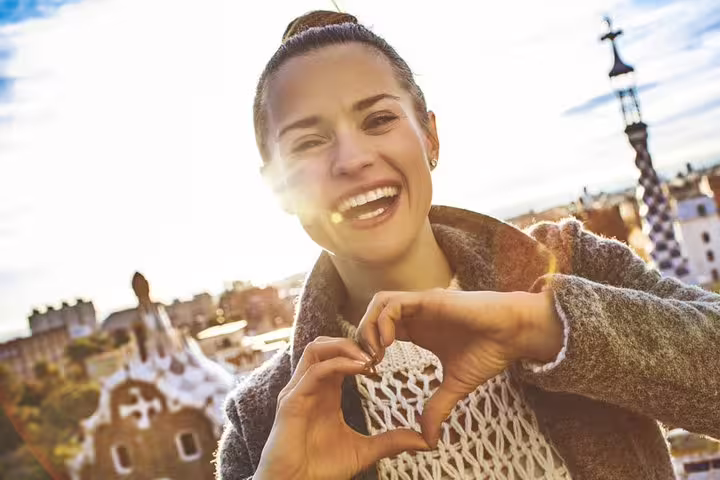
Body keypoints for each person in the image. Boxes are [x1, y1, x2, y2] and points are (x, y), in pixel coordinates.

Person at [215, 10, 720, 480]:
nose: (351, 159)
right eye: (308, 142)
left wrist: (545, 326)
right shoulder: (263, 421)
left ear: (431, 138)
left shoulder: (570, 265)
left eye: (378, 120)